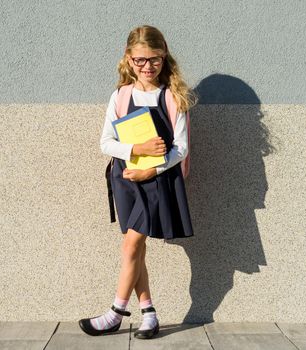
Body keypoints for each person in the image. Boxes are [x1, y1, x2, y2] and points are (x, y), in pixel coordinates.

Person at [79, 25, 197, 340]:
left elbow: (180, 148)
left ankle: (115, 313)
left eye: (155, 59)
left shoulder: (172, 97)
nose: (147, 66)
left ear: (164, 57)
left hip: (156, 182)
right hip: (125, 179)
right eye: (140, 60)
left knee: (131, 244)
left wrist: (151, 169)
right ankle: (148, 314)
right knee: (137, 248)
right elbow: (106, 142)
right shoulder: (121, 95)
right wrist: (137, 150)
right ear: (129, 60)